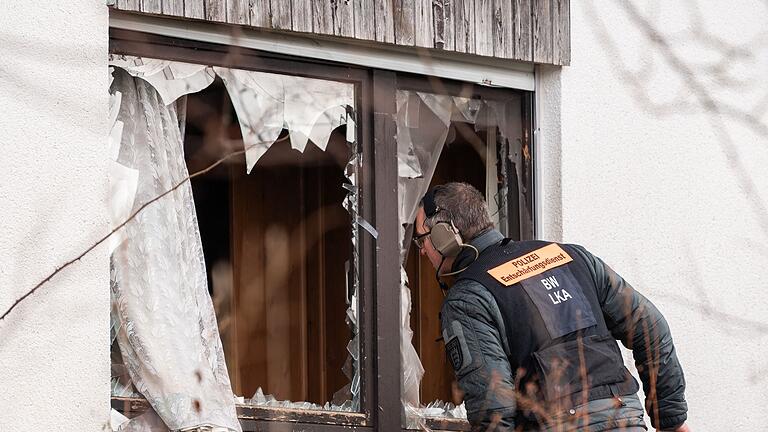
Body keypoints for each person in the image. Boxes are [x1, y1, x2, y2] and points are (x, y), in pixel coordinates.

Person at [413, 182, 689, 432]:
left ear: (444, 236)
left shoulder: (468, 298)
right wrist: (672, 422)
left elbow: (494, 408)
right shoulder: (574, 257)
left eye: (421, 240)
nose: (422, 251)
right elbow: (652, 329)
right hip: (624, 418)